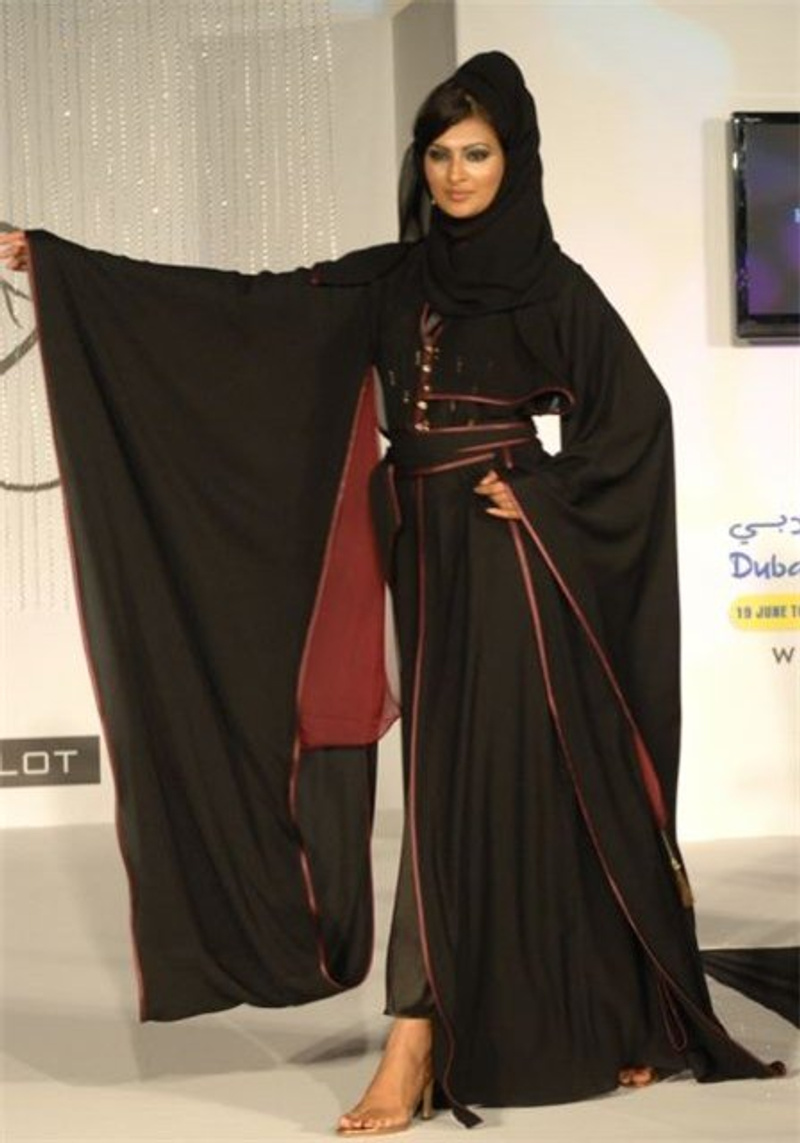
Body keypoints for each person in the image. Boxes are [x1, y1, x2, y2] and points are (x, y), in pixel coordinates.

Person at [0, 51, 784, 1138]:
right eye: (439, 154)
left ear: (515, 160)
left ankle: (420, 1034)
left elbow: (635, 419)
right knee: (465, 780)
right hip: (420, 548)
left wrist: (544, 492)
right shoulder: (392, 279)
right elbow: (246, 310)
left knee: (481, 782)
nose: (455, 174)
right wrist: (68, 268)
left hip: (510, 562)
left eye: (477, 153)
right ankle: (595, 1013)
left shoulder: (550, 285)